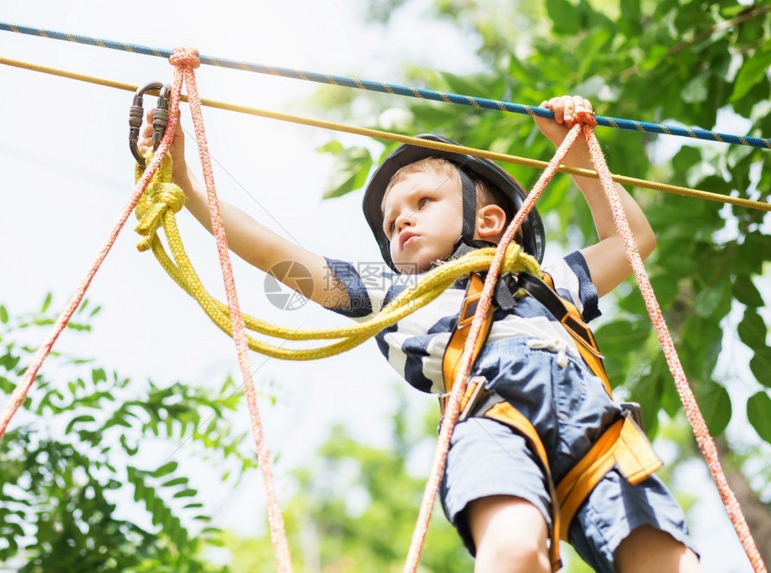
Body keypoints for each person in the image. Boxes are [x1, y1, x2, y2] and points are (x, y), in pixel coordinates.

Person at [138, 95, 701, 572]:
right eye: (390, 222)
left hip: (596, 433)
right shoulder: (398, 293)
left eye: (423, 203)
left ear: (488, 222)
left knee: (664, 560)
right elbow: (280, 254)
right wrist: (186, 185)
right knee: (513, 548)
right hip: (491, 420)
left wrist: (577, 154)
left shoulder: (546, 285)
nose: (400, 221)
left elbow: (632, 242)